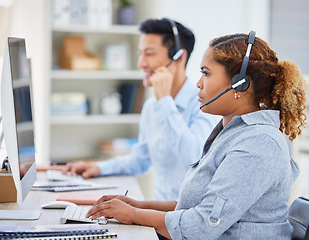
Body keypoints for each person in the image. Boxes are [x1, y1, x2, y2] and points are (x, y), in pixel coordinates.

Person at [85, 32, 307, 240]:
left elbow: (202, 225)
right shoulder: (233, 133)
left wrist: (133, 215)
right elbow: (196, 208)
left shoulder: (258, 144)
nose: (198, 83)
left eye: (206, 73)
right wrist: (137, 206)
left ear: (241, 84)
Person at [62, 18, 219, 201]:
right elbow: (140, 160)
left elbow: (193, 159)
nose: (141, 63)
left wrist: (165, 102)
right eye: (140, 54)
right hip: (158, 214)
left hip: (186, 220)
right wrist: (99, 168)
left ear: (179, 56)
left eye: (149, 54)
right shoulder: (152, 106)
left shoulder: (203, 104)